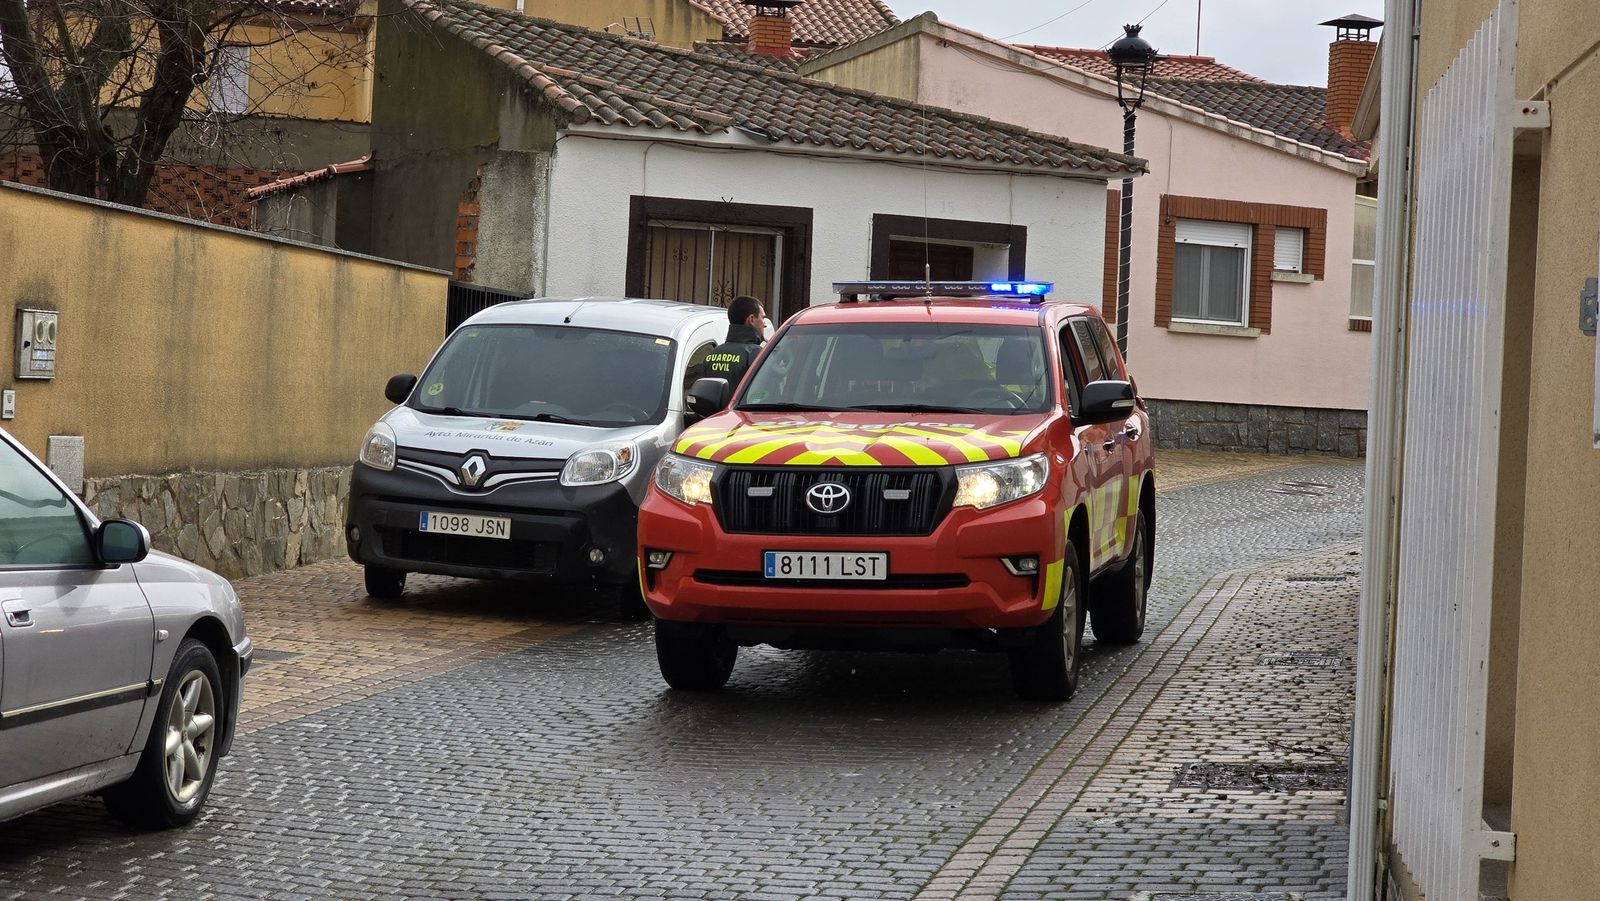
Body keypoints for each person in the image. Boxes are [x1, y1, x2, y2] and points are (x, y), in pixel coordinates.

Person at [705, 295, 767, 389]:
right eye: (762, 318)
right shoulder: (757, 354)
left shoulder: (712, 354)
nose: (765, 324)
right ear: (751, 319)